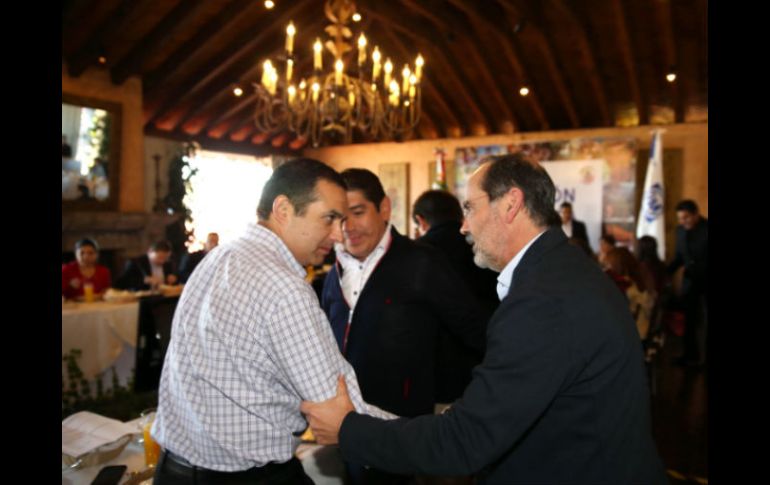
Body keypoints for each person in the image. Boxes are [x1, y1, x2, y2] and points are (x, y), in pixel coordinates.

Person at [302, 154, 667, 484]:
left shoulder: (542, 302)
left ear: (510, 204)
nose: (463, 226)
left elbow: (466, 441)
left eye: (470, 208)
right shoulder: (560, 273)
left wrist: (348, 430)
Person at [151, 159, 394, 485]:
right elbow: (339, 406)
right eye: (329, 218)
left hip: (173, 471)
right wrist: (440, 438)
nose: (339, 234)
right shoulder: (284, 289)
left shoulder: (219, 257)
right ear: (283, 209)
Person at [321, 170, 488, 484]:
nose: (349, 228)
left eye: (358, 213)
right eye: (340, 218)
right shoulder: (333, 273)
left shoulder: (422, 262)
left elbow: (475, 330)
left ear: (384, 208)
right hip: (347, 428)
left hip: (404, 433)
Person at [412, 189, 498, 404]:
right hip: (487, 360)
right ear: (460, 215)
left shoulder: (417, 255)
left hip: (438, 372)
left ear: (420, 221)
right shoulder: (483, 247)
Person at [668, 199, 708, 367]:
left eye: (686, 218)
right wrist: (666, 273)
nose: (682, 222)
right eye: (680, 219)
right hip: (690, 282)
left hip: (706, 281)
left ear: (696, 214)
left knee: (705, 322)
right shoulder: (680, 231)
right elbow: (679, 257)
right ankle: (689, 356)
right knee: (689, 320)